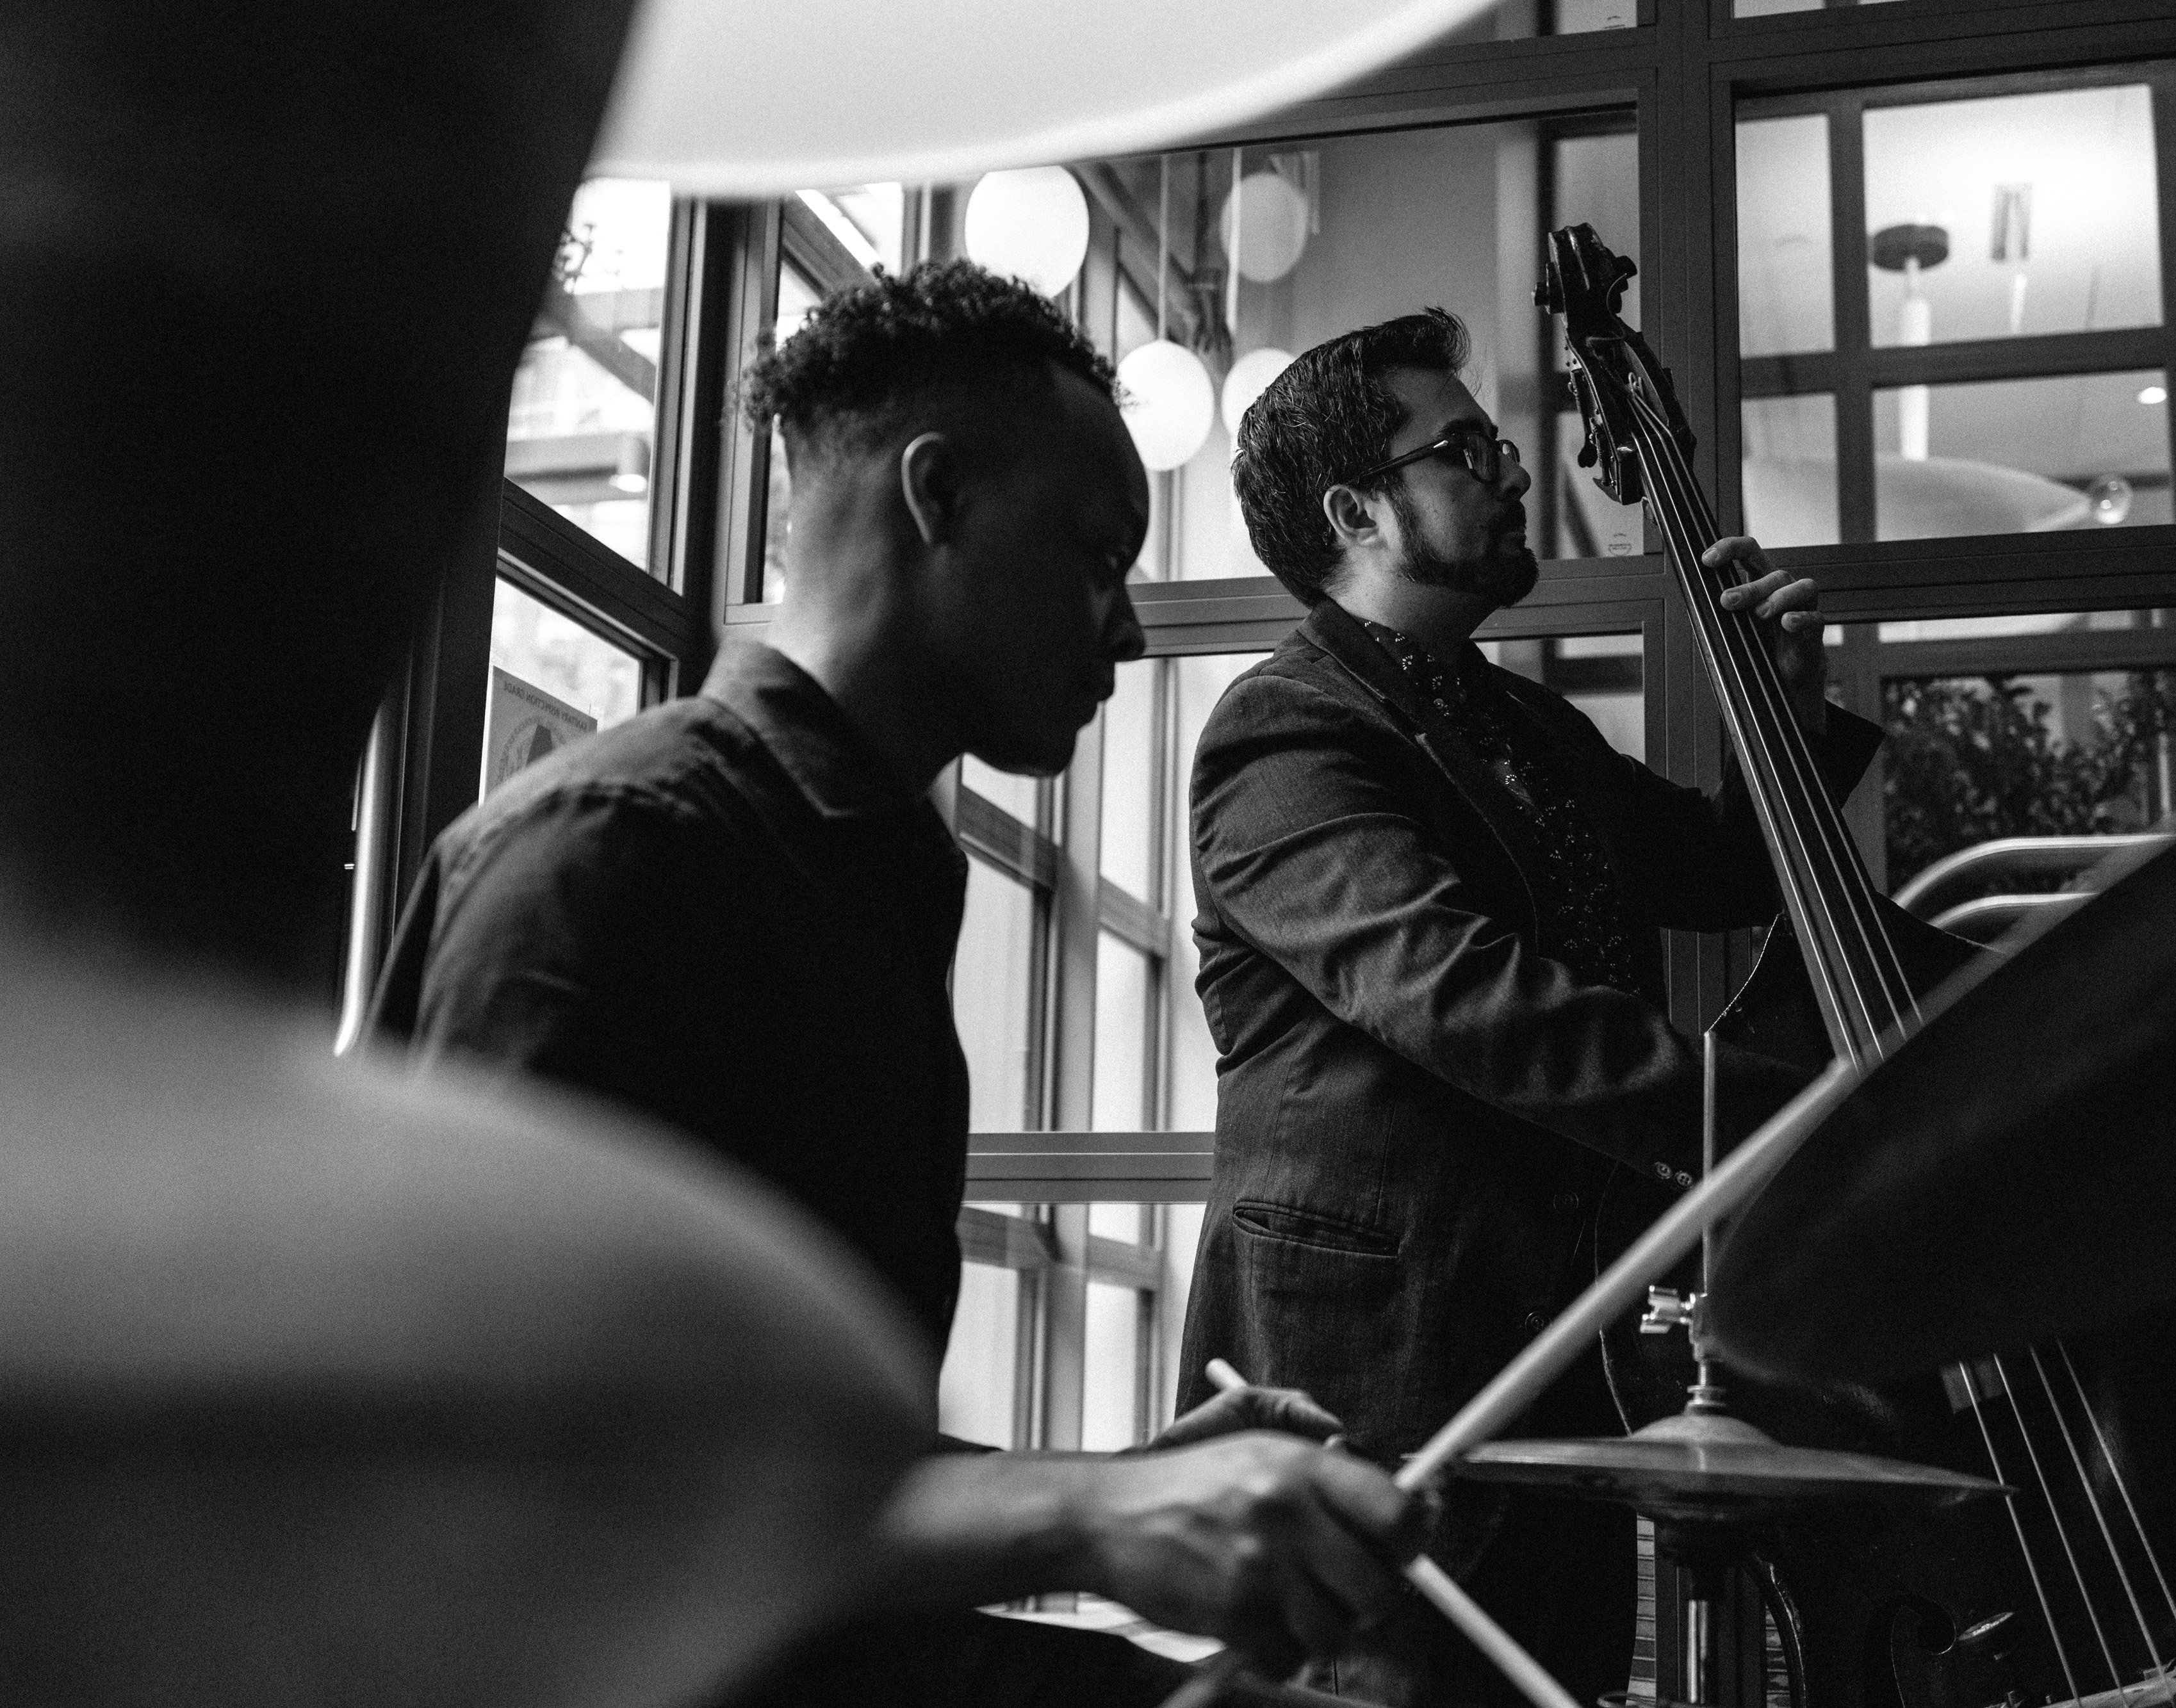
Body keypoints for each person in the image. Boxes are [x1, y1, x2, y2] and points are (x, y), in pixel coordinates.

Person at [365, 263, 1423, 1705]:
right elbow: (496, 1487)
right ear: (936, 497)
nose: (1124, 629)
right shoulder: (619, 855)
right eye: (1098, 554)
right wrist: (1077, 1518)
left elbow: (771, 1463)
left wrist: (1111, 1484)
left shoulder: (862, 866)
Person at [1174, 308, 1883, 1705]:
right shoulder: (1283, 730)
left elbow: (1725, 870)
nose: (1509, 470)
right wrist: (1777, 1117)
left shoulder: (1524, 727)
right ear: (1356, 510)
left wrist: (1789, 714)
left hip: (1558, 1342)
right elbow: (1462, 998)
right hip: (1371, 1378)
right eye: (1465, 448)